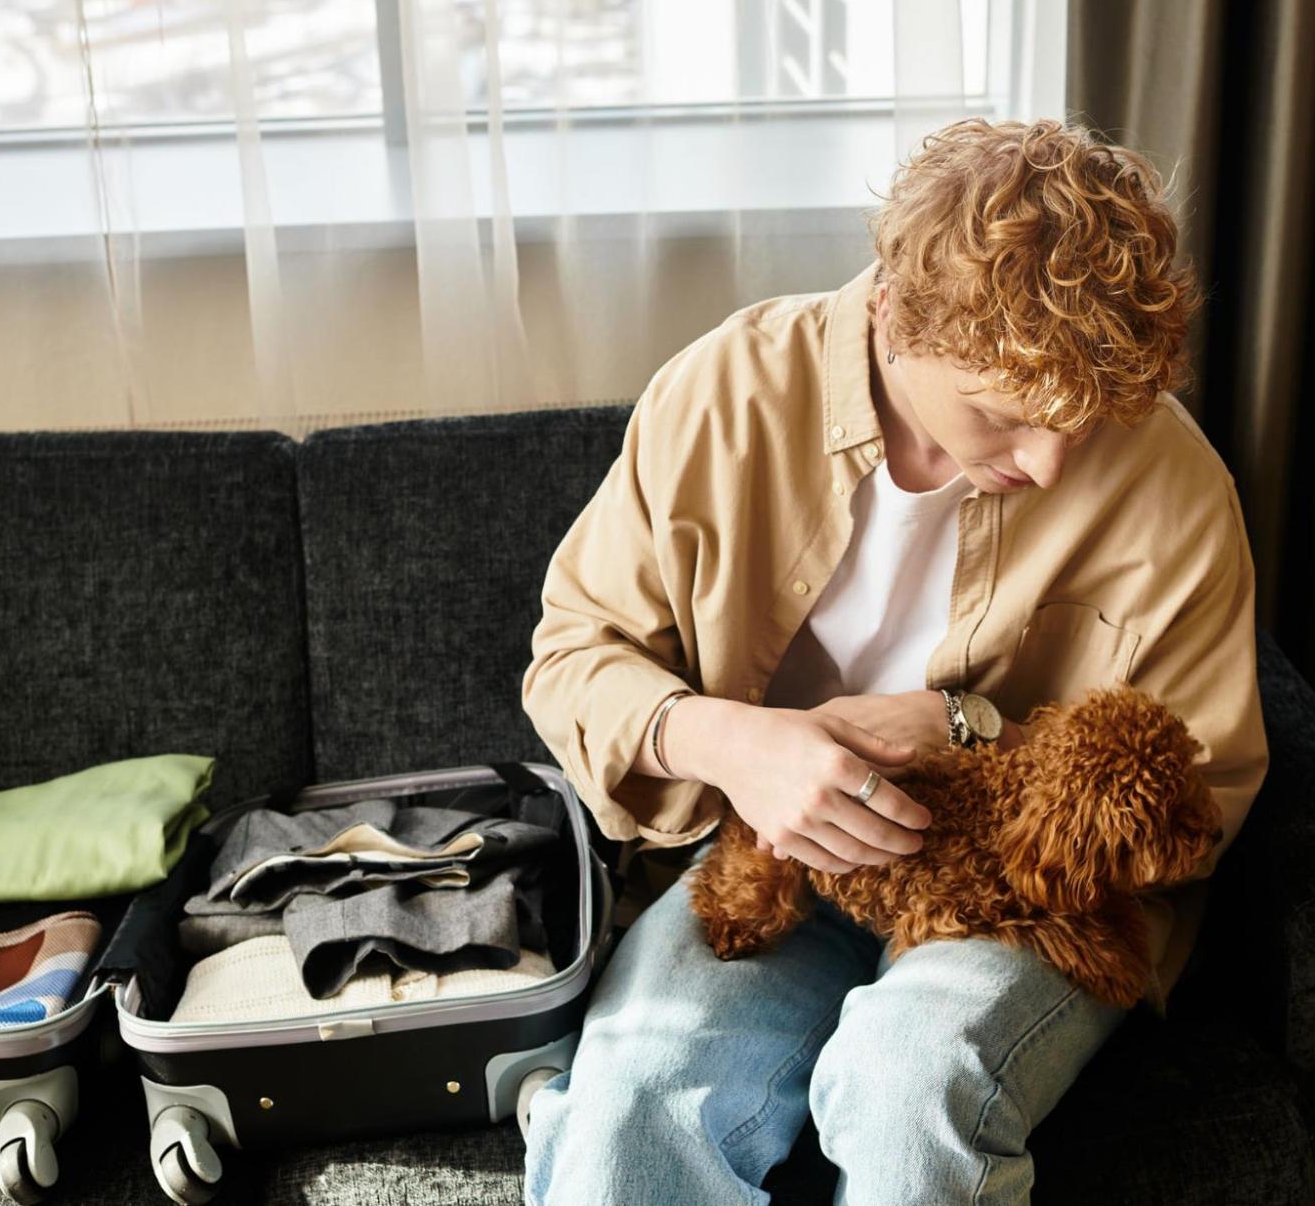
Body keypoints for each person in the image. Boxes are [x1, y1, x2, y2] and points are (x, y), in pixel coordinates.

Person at [518, 116, 1269, 1204]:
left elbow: (1202, 793)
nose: (1051, 465)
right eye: (1003, 414)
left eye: (1082, 423)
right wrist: (733, 744)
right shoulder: (726, 395)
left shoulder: (1177, 485)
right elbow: (572, 655)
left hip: (1029, 895)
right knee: (635, 1100)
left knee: (909, 1083)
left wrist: (978, 734)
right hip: (772, 854)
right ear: (891, 316)